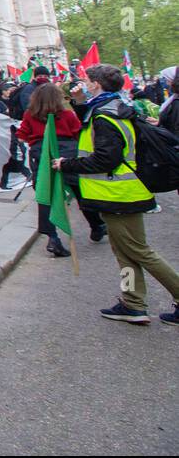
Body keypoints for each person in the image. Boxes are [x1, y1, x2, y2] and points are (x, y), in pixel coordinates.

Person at [54, 65, 179, 325]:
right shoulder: (113, 106)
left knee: (138, 250)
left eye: (87, 80)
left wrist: (66, 164)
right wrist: (78, 102)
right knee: (124, 250)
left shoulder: (105, 115)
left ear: (97, 84)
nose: (84, 84)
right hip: (120, 192)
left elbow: (106, 159)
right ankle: (133, 302)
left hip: (119, 193)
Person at [17, 84, 79, 258]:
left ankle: (52, 237)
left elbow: (21, 135)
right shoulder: (66, 114)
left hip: (41, 155)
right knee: (78, 188)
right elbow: (77, 133)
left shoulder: (30, 115)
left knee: (46, 194)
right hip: (65, 153)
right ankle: (96, 224)